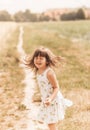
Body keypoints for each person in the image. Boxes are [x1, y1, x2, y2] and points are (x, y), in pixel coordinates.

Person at [24, 46, 73, 130]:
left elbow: (56, 87)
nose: (38, 60)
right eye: (36, 58)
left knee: (51, 123)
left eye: (41, 58)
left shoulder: (49, 73)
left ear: (47, 61)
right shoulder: (38, 70)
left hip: (52, 100)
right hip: (46, 100)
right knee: (45, 121)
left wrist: (50, 98)